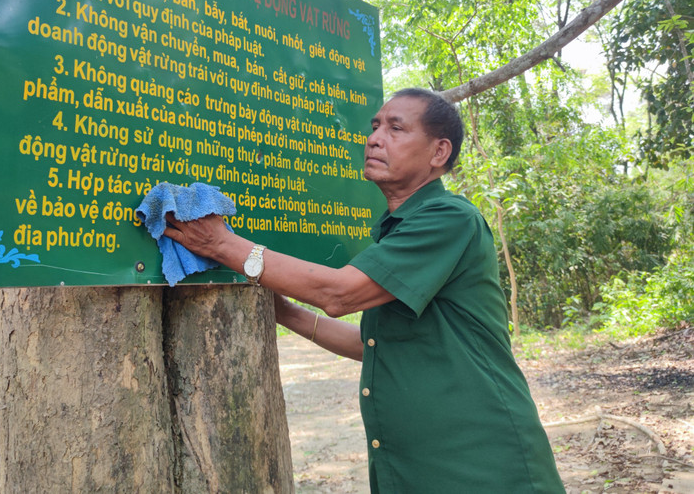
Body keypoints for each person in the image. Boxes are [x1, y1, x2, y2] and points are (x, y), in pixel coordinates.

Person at [163, 87, 565, 493]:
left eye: (396, 128)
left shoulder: (448, 218)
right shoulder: (398, 230)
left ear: (438, 153)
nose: (374, 137)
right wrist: (287, 314)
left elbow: (338, 295)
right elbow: (377, 344)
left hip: (482, 464)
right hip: (415, 470)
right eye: (375, 126)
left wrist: (221, 244)